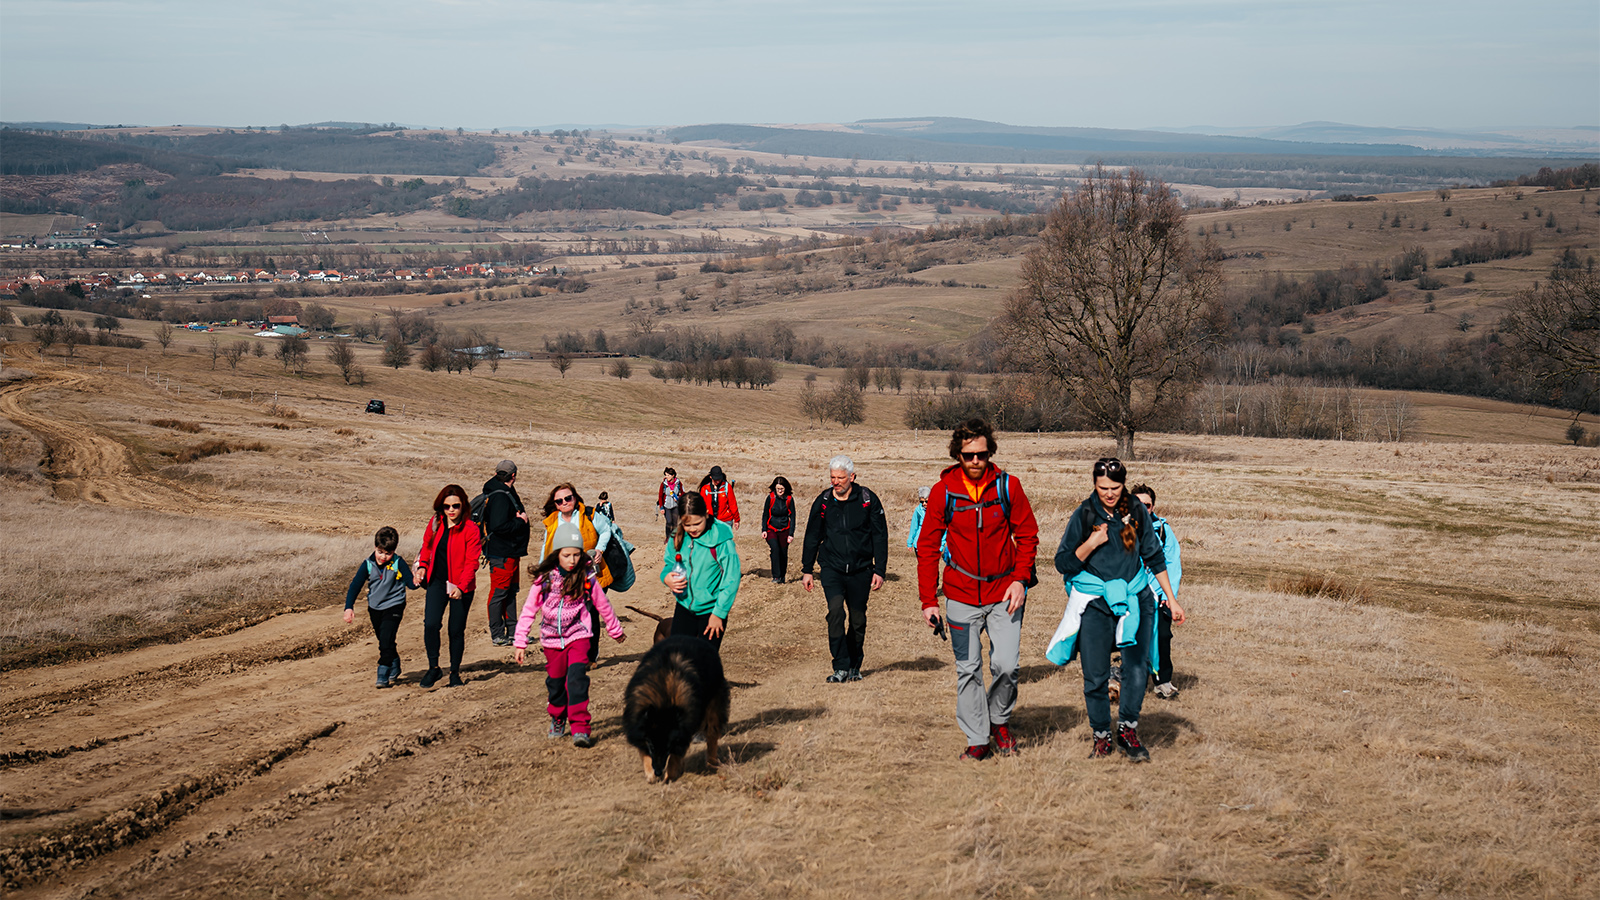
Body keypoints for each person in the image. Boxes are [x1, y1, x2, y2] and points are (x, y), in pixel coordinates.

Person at [917, 418, 1039, 761]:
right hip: (959, 595)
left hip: (1004, 593)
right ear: (958, 454)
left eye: (981, 455)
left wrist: (1020, 579)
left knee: (1006, 665)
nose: (975, 462)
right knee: (968, 668)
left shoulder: (1008, 487)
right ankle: (977, 738)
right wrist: (929, 600)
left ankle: (999, 720)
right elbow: (926, 548)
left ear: (990, 453)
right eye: (968, 455)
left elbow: (1028, 536)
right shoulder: (943, 492)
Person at [1052, 459, 1184, 763]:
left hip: (1137, 598)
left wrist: (1171, 599)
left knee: (1137, 669)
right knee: (1095, 674)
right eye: (1102, 488)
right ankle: (1101, 736)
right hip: (1096, 603)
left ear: (1123, 484)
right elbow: (1064, 562)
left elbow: (1151, 555)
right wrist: (1091, 542)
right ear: (1094, 485)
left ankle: (1127, 729)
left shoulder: (1134, 512)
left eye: (1115, 488)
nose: (1109, 494)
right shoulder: (1085, 514)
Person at [512, 523, 626, 748]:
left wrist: (615, 630)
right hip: (551, 640)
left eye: (576, 554)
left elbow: (602, 604)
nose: (572, 560)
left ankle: (580, 728)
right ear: (557, 555)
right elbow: (528, 611)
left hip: (578, 636)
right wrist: (520, 642)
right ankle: (557, 717)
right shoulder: (544, 579)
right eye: (567, 555)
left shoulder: (586, 577)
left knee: (577, 680)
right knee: (555, 684)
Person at [801, 456, 888, 683]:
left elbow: (880, 536)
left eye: (840, 478)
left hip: (862, 570)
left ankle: (854, 666)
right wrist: (807, 569)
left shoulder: (868, 500)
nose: (836, 482)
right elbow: (812, 536)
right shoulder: (823, 502)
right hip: (832, 568)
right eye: (832, 477)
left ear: (852, 477)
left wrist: (880, 570)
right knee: (836, 612)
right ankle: (840, 666)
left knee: (858, 619)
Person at [542, 483, 617, 665]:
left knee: (589, 614)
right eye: (559, 501)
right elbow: (546, 548)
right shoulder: (552, 521)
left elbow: (606, 530)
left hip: (591, 573)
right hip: (564, 577)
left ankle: (590, 656)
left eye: (568, 498)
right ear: (555, 504)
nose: (565, 503)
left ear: (575, 498)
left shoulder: (589, 515)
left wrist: (599, 549)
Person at [415, 484, 483, 688]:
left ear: (463, 506)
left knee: (456, 630)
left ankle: (454, 672)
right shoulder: (436, 522)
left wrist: (461, 587)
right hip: (436, 581)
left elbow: (472, 562)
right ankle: (434, 668)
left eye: (456, 505)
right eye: (447, 506)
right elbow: (427, 546)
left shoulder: (471, 529)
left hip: (461, 586)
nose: (451, 510)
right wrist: (422, 567)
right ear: (441, 507)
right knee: (431, 624)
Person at [661, 492, 741, 649]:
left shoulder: (721, 540)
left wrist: (719, 614)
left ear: (706, 514)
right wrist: (666, 577)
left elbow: (731, 578)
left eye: (697, 523)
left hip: (711, 611)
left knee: (704, 663)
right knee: (678, 659)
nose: (692, 529)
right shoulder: (677, 536)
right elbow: (669, 563)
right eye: (687, 525)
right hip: (683, 608)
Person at [342, 526, 417, 689]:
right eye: (380, 551)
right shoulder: (368, 564)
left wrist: (418, 580)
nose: (383, 556)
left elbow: (411, 584)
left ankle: (383, 673)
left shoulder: (398, 563)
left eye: (387, 553)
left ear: (394, 551)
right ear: (375, 547)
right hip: (375, 608)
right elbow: (355, 585)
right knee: (385, 639)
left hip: (395, 605)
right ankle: (394, 662)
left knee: (385, 640)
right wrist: (349, 607)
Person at [1132, 482, 1184, 700]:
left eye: (1148, 505)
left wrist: (1168, 598)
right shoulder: (1120, 528)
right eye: (1138, 504)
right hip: (1131, 594)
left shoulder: (1163, 530)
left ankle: (1163, 682)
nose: (1144, 509)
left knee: (1163, 636)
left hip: (1158, 595)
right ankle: (1130, 679)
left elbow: (1172, 564)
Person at [481, 460, 530, 647]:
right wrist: (520, 522)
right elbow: (499, 526)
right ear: (514, 475)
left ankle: (513, 632)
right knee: (499, 593)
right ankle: (498, 634)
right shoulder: (500, 495)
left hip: (509, 552)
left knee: (510, 592)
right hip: (502, 554)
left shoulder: (501, 491)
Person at [761, 476, 796, 584]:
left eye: (782, 489)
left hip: (785, 529)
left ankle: (782, 576)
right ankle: (776, 576)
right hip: (771, 528)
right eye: (778, 489)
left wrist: (791, 534)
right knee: (775, 549)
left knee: (783, 552)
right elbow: (765, 514)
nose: (780, 491)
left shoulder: (789, 499)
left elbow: (793, 516)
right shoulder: (770, 498)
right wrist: (764, 529)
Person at [657, 468, 684, 542]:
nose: (667, 477)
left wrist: (679, 497)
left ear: (673, 475)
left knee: (675, 522)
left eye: (668, 475)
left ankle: (674, 538)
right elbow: (660, 496)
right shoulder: (664, 484)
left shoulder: (678, 483)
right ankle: (668, 537)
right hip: (666, 506)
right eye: (666, 475)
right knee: (669, 521)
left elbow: (683, 493)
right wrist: (661, 507)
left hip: (676, 505)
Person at [907, 485, 931, 551]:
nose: (924, 504)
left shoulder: (936, 510)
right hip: (918, 544)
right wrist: (910, 542)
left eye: (926, 501)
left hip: (931, 544)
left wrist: (941, 545)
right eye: (921, 502)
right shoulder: (918, 510)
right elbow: (914, 527)